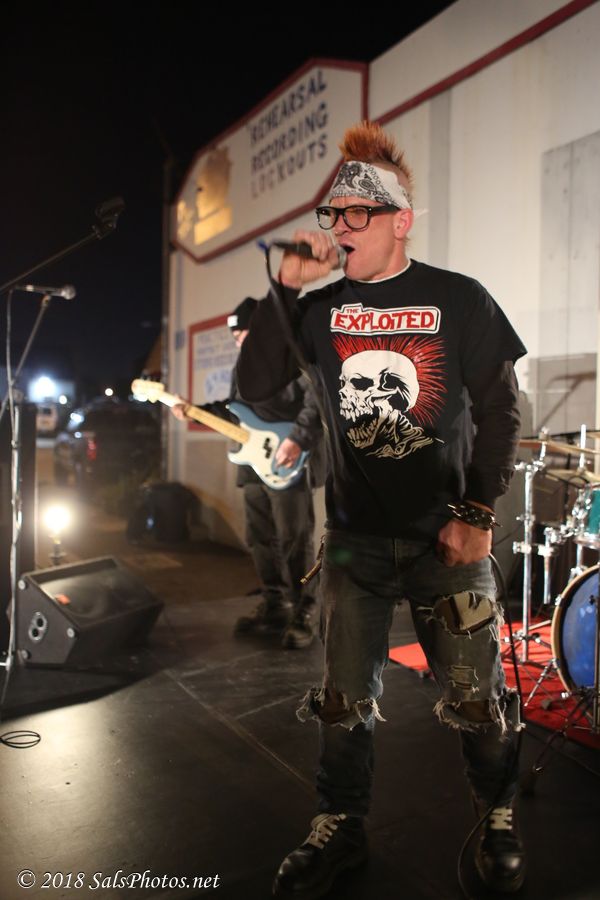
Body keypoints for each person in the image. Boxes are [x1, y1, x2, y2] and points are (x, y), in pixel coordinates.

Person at [236, 122, 527, 896]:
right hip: (353, 546)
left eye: (358, 212)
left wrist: (478, 512)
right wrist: (286, 289)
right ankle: (340, 824)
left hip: (448, 541)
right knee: (342, 704)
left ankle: (497, 816)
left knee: (477, 697)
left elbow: (502, 410)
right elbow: (256, 388)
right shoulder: (320, 310)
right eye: (334, 212)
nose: (340, 225)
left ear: (401, 219)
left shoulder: (460, 298)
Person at [172, 297, 323, 649]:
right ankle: (275, 604)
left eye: (244, 333)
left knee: (294, 539)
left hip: (289, 459)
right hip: (253, 463)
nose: (239, 341)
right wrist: (194, 411)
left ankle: (306, 610)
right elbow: (234, 412)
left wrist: (297, 440)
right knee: (259, 537)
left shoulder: (295, 356)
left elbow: (318, 397)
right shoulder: (242, 367)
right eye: (236, 336)